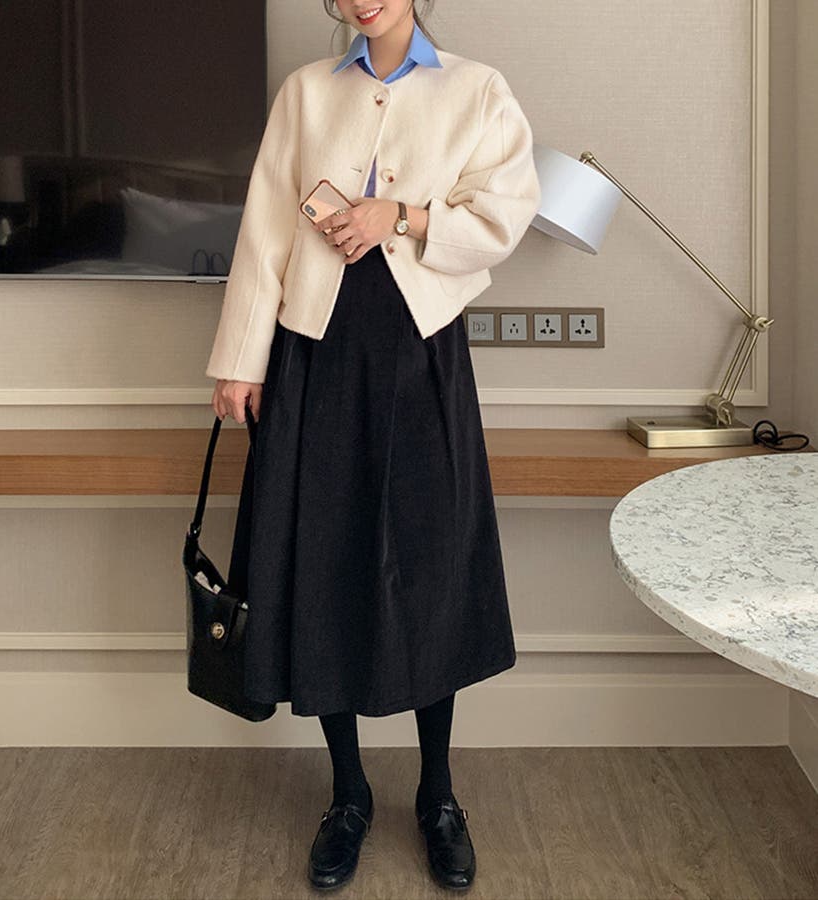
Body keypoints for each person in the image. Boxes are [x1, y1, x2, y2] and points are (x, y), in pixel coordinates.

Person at [206, 0, 541, 891]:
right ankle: (348, 793)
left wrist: (401, 215)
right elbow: (265, 227)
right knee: (326, 560)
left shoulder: (477, 90)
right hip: (314, 353)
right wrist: (240, 361)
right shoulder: (306, 93)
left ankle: (438, 794)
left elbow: (507, 211)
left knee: (430, 566)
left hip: (421, 356)